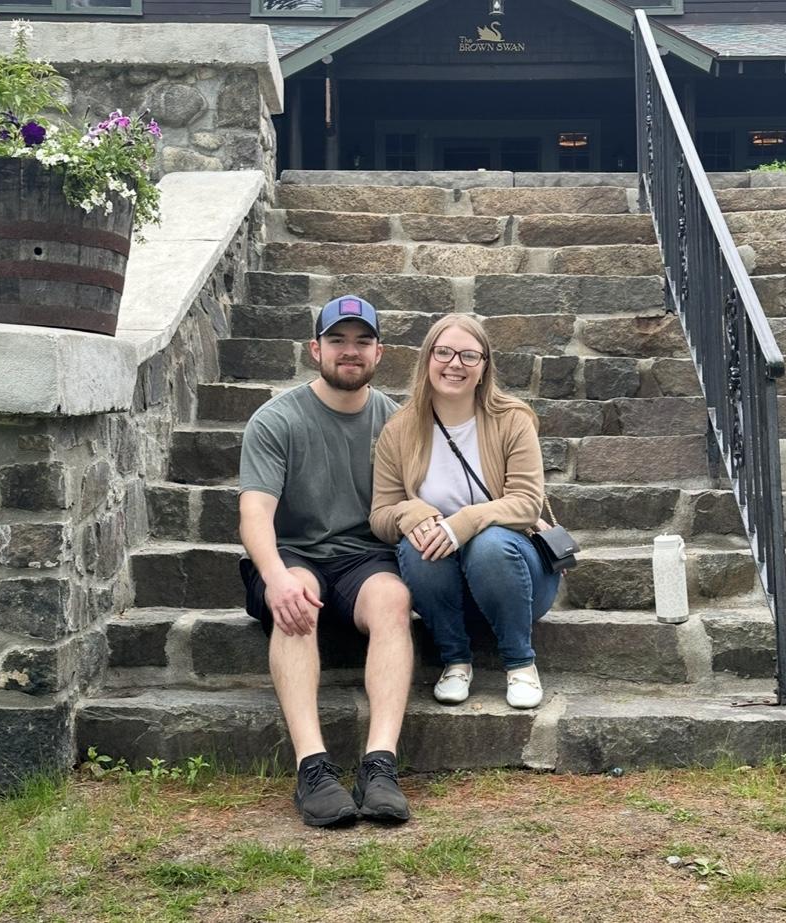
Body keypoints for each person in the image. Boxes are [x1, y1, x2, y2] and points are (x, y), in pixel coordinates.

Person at [238, 295, 413, 828]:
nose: (350, 352)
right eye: (338, 340)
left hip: (365, 558)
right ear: (316, 348)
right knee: (297, 595)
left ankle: (379, 765)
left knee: (394, 598)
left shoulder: (398, 422)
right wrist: (274, 579)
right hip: (295, 553)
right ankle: (313, 767)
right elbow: (254, 514)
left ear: (380, 352)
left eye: (362, 341)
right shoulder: (277, 420)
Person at [370, 315, 560, 710]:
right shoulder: (399, 431)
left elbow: (527, 503)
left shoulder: (512, 419)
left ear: (484, 367)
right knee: (417, 543)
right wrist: (409, 511)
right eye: (444, 352)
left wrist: (464, 522)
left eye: (469, 355)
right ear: (427, 360)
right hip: (444, 585)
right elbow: (381, 516)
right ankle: (455, 661)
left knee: (488, 543)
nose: (455, 363)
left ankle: (521, 664)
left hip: (518, 578)